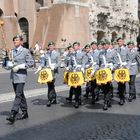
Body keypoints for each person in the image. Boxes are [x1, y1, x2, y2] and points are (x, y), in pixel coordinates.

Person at [6, 35, 34, 123]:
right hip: (14, 76)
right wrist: (7, 64)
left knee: (18, 95)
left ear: (21, 42)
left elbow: (30, 63)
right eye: (14, 40)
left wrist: (19, 67)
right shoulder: (12, 51)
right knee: (20, 94)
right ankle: (25, 112)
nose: (15, 41)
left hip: (21, 76)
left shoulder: (25, 51)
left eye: (17, 40)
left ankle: (13, 113)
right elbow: (9, 64)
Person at [35, 41, 60, 107]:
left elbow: (59, 62)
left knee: (50, 84)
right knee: (50, 85)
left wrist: (54, 66)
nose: (51, 47)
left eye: (52, 46)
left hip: (53, 71)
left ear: (54, 46)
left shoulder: (57, 54)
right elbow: (43, 62)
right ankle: (53, 98)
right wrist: (40, 67)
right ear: (48, 47)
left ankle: (50, 99)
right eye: (50, 46)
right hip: (48, 71)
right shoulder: (46, 54)